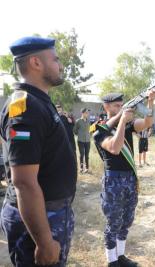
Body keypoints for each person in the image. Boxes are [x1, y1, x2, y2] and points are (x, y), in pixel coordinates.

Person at [0, 36, 77, 266]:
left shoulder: (38, 101)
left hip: (51, 213)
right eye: (55, 59)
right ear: (36, 63)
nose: (60, 65)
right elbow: (23, 182)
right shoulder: (25, 108)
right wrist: (44, 242)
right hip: (40, 221)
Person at [93, 90, 155, 267]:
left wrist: (150, 102)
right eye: (116, 106)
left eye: (122, 105)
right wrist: (122, 120)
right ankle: (111, 260)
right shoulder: (99, 129)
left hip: (129, 178)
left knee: (127, 219)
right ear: (106, 107)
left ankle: (120, 255)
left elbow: (147, 123)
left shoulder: (127, 124)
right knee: (113, 221)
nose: (121, 108)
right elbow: (114, 147)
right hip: (113, 179)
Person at [74, 108, 91, 173]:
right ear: (83, 113)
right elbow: (75, 130)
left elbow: (90, 129)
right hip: (80, 140)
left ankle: (87, 168)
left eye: (88, 113)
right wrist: (80, 134)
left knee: (87, 155)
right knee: (82, 154)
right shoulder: (78, 121)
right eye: (86, 113)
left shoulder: (88, 121)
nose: (87, 114)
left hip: (88, 140)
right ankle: (81, 168)